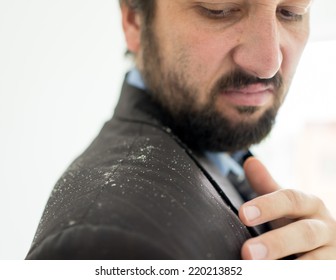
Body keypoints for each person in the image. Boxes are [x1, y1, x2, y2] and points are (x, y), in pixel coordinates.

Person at [26, 0, 336, 260]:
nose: (269, 62)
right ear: (134, 20)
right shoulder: (106, 244)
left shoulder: (217, 153)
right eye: (220, 8)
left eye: (291, 12)